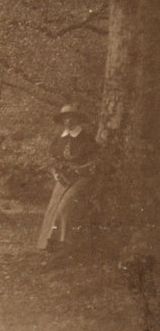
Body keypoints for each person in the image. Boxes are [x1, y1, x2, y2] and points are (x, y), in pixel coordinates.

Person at [37, 103, 100, 252]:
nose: (68, 121)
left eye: (71, 118)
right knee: (53, 208)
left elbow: (95, 162)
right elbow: (54, 160)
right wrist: (55, 173)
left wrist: (77, 170)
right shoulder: (60, 138)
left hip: (82, 178)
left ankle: (65, 243)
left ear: (78, 119)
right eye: (65, 118)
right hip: (63, 178)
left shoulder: (86, 138)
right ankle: (49, 243)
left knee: (64, 207)